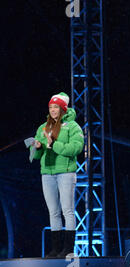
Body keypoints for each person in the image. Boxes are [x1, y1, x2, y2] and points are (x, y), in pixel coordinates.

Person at [31, 92, 84, 257]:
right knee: (53, 211)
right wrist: (37, 147)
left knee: (67, 210)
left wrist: (55, 144)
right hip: (47, 173)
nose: (53, 110)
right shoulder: (43, 127)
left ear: (63, 109)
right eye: (51, 107)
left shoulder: (73, 126)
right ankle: (55, 249)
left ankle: (68, 249)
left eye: (56, 107)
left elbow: (76, 148)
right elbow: (35, 155)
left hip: (66, 172)